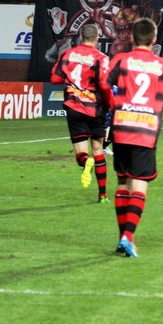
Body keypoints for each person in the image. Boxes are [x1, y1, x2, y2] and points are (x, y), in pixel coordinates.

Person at [106, 18, 163, 258]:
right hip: (145, 130)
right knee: (139, 183)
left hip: (121, 127)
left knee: (122, 182)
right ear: (154, 39)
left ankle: (122, 238)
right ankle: (128, 237)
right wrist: (161, 106)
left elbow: (105, 85)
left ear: (131, 38)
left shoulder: (121, 60)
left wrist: (117, 103)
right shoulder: (162, 65)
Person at [50, 25, 115, 203]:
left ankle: (86, 161)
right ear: (97, 38)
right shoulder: (101, 58)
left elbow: (54, 78)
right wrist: (110, 104)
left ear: (80, 36)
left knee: (81, 153)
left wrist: (71, 79)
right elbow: (104, 85)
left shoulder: (67, 54)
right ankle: (102, 195)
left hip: (74, 106)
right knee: (98, 149)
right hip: (96, 109)